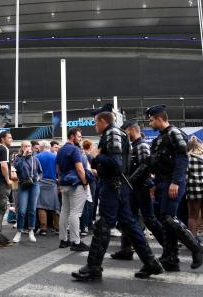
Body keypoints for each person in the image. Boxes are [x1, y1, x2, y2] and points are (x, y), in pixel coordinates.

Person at [72, 106, 163, 281]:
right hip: (118, 186)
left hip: (113, 186)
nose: (94, 126)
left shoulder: (112, 133)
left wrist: (96, 157)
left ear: (102, 121)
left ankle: (93, 267)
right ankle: (150, 262)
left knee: (104, 226)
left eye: (95, 122)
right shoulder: (115, 133)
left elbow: (115, 163)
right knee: (129, 225)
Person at [146, 104, 203, 271]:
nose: (150, 123)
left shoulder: (174, 133)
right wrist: (153, 185)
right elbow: (156, 164)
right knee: (166, 221)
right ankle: (170, 258)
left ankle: (197, 248)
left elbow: (182, 159)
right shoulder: (159, 139)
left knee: (168, 218)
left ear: (159, 118)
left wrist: (176, 182)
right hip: (161, 183)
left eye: (151, 120)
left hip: (172, 183)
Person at [111, 120, 166, 260]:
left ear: (130, 130)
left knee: (149, 219)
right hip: (133, 188)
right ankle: (126, 249)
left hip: (140, 187)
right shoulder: (134, 145)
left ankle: (169, 247)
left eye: (125, 132)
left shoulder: (141, 145)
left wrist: (129, 180)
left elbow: (145, 167)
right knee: (128, 219)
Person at [56, 128, 90, 252]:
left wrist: (60, 182)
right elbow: (80, 168)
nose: (80, 139)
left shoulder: (60, 150)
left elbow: (58, 169)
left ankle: (63, 240)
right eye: (79, 136)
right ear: (72, 137)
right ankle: (76, 241)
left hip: (64, 183)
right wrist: (85, 182)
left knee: (64, 211)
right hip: (76, 184)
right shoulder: (75, 149)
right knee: (75, 213)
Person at [13, 140, 43, 243]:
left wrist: (38, 178)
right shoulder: (17, 158)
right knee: (21, 210)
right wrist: (24, 157)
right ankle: (19, 232)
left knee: (32, 209)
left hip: (34, 185)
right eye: (25, 146)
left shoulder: (35, 159)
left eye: (29, 146)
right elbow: (18, 169)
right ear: (22, 148)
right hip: (23, 185)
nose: (27, 148)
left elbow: (40, 172)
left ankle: (31, 231)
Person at [35, 140, 59, 236]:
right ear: (49, 147)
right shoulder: (55, 156)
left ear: (41, 147)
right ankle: (57, 227)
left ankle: (43, 228)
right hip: (53, 183)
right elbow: (58, 171)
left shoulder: (36, 157)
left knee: (41, 206)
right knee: (55, 206)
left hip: (41, 183)